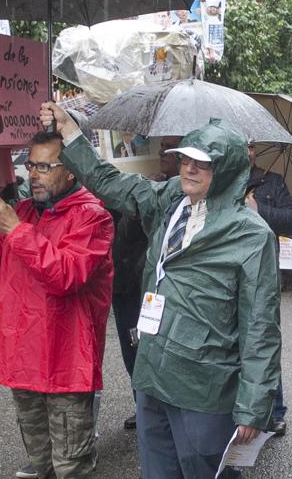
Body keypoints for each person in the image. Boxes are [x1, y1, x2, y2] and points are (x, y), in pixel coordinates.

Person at [40, 102, 281, 478]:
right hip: (153, 373)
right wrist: (71, 133)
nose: (189, 168)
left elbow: (261, 326)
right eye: (185, 159)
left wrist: (253, 404)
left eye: (202, 163)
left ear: (228, 170)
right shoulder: (171, 199)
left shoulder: (251, 234)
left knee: (202, 470)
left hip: (205, 387)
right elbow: (112, 184)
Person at [0, 131, 115, 479]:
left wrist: (15, 230)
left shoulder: (93, 217)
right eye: (31, 164)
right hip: (23, 360)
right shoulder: (21, 212)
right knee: (40, 463)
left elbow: (66, 275)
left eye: (45, 166)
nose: (34, 174)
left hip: (65, 362)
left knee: (71, 467)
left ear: (72, 170)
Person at [110, 136, 182, 433]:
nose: (161, 154)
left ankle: (163, 412)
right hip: (127, 286)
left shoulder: (184, 199)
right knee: (133, 349)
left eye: (169, 150)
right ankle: (144, 407)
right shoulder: (146, 187)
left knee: (161, 352)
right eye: (161, 148)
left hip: (155, 289)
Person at [245, 142, 292, 437]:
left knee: (264, 342)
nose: (247, 151)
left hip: (263, 276)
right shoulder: (215, 183)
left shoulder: (272, 182)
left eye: (251, 146)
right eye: (241, 145)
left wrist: (258, 208)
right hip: (227, 278)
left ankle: (275, 410)